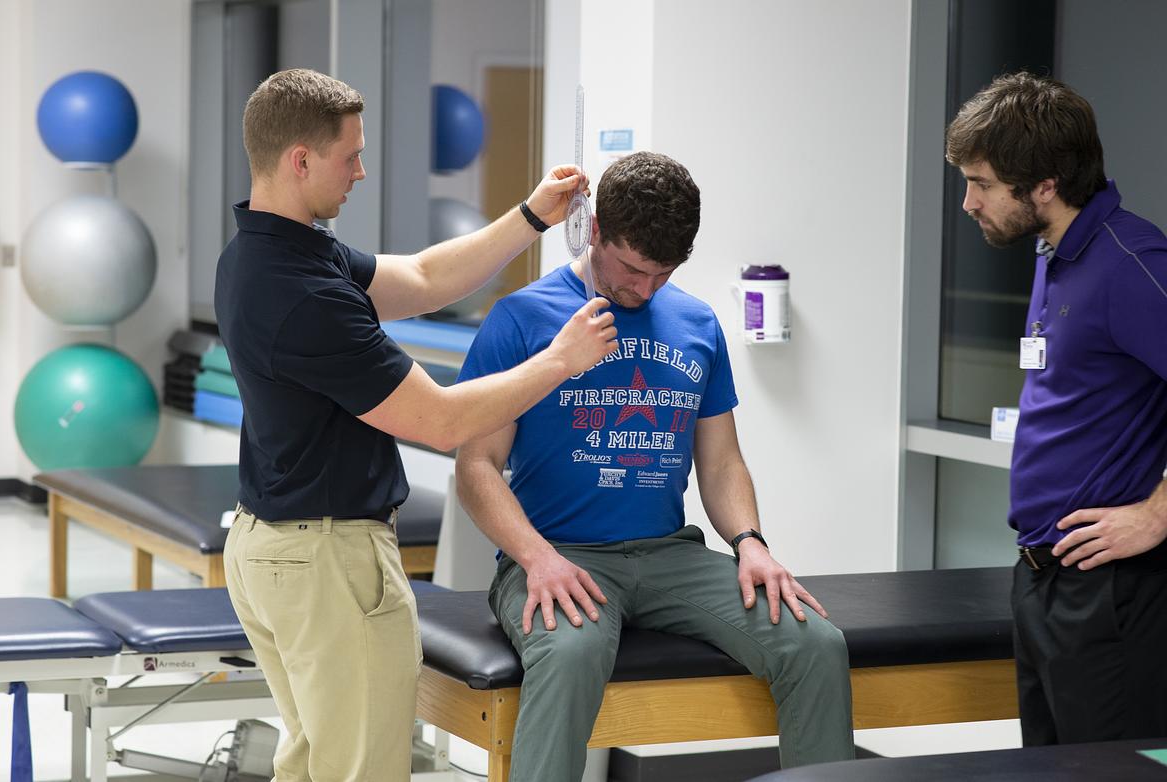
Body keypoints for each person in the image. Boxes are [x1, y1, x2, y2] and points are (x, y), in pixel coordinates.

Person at [213, 68, 617, 781]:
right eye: (350, 157)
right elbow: (440, 421)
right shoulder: (303, 296)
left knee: (314, 766)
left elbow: (427, 279)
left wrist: (531, 216)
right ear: (300, 160)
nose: (362, 171)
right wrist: (561, 360)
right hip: (326, 563)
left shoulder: (270, 248)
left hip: (276, 550)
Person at [455, 151, 854, 781]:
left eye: (662, 274)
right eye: (633, 269)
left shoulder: (696, 323)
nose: (644, 290)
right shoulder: (522, 320)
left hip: (671, 555)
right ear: (594, 232)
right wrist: (536, 559)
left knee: (814, 642)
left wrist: (751, 543)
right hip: (558, 553)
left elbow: (721, 461)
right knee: (570, 652)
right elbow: (476, 466)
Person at [946, 72, 1167, 746]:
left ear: (1044, 184)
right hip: (1041, 576)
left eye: (981, 183)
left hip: (1111, 592)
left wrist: (1159, 511)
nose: (967, 202)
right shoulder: (1054, 254)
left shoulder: (1132, 263)